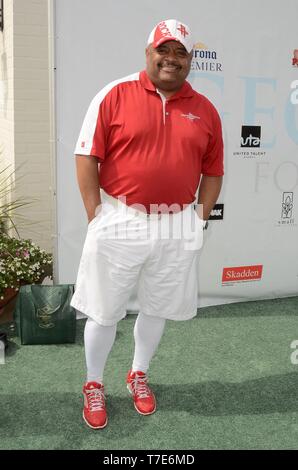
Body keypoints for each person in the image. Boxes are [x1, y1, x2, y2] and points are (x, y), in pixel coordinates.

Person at [71, 19, 224, 430]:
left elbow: (213, 171)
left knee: (158, 307)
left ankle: (138, 373)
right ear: (148, 52)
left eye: (180, 52)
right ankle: (94, 383)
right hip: (122, 216)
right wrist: (95, 214)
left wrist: (199, 218)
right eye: (164, 50)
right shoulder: (114, 94)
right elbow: (86, 156)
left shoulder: (205, 109)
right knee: (104, 311)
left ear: (190, 59)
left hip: (177, 221)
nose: (171, 59)